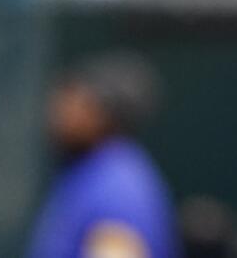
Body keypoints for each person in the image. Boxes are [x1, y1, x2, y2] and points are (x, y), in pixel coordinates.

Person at [26, 52, 178, 258]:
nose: (60, 111)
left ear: (104, 115)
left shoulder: (118, 188)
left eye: (76, 102)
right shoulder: (86, 168)